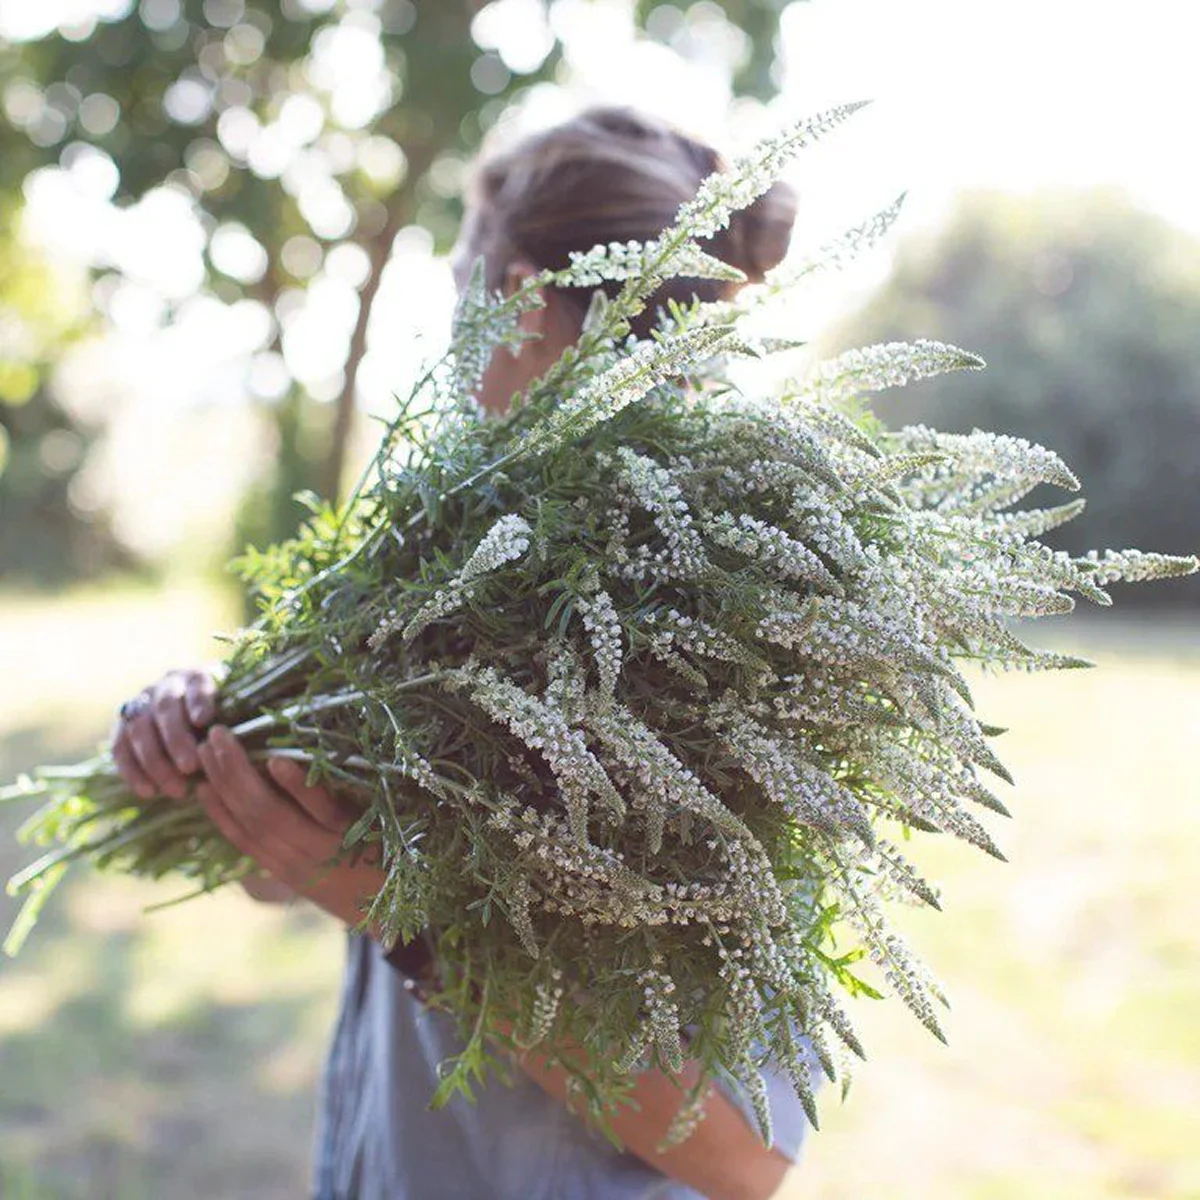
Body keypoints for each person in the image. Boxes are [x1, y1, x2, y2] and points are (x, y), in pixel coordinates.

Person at [112, 107, 808, 1200]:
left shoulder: (740, 617)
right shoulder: (439, 559)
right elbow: (293, 862)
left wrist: (402, 919)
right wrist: (207, 732)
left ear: (517, 298)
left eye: (454, 287)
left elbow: (742, 1152)